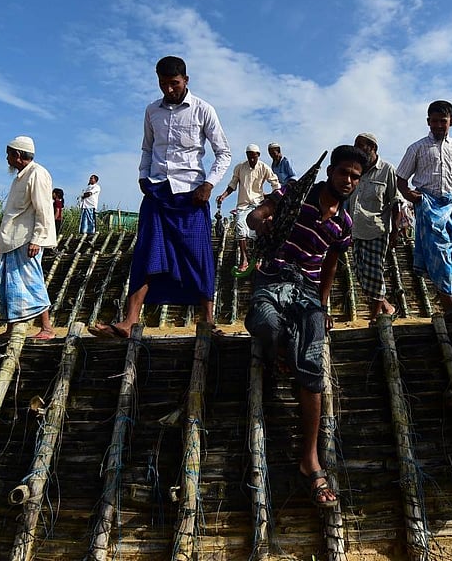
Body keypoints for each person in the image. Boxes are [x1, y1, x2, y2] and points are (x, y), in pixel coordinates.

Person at [245, 144, 365, 508]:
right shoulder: (298, 193)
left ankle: (310, 460)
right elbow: (258, 214)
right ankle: (278, 353)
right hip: (272, 277)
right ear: (330, 171)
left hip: (306, 290)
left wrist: (323, 305)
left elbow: (329, 266)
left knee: (312, 367)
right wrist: (260, 220)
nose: (348, 181)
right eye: (344, 172)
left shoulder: (343, 225)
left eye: (355, 177)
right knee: (264, 323)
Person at [90, 55, 231, 337]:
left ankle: (206, 321)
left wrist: (209, 184)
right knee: (146, 253)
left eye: (174, 84)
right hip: (157, 192)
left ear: (186, 80)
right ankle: (129, 321)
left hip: (192, 195)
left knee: (198, 254)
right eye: (163, 84)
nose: (169, 90)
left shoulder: (204, 110)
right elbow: (147, 148)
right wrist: (143, 176)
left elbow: (223, 153)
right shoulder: (151, 111)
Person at [396, 100, 452, 319]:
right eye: (434, 121)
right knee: (439, 254)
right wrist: (411, 196)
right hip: (429, 205)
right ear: (428, 122)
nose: (439, 125)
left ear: (451, 121)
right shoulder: (417, 148)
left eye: (443, 121)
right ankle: (449, 307)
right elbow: (401, 178)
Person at [0, 136, 58, 340]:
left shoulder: (37, 174)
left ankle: (47, 327)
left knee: (32, 281)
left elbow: (43, 209)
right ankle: (11, 327)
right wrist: (1, 241)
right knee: (11, 284)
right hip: (13, 239)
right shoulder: (21, 176)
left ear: (17, 154)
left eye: (8, 154)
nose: (7, 158)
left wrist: (37, 238)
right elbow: (12, 213)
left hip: (26, 239)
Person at [349, 132, 403, 322]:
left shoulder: (387, 169)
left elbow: (396, 202)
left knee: (375, 274)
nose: (356, 149)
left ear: (372, 148)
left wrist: (395, 231)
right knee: (360, 274)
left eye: (360, 145)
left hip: (377, 230)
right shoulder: (355, 171)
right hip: (356, 230)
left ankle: (374, 317)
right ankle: (388, 307)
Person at [215, 143, 281, 272]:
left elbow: (275, 183)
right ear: (246, 155)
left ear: (258, 156)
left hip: (258, 205)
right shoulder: (240, 167)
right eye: (249, 157)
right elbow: (232, 185)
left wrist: (275, 198)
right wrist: (223, 196)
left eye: (254, 157)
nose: (251, 160)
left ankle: (258, 260)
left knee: (259, 231)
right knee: (240, 227)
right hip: (243, 205)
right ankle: (244, 259)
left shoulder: (264, 167)